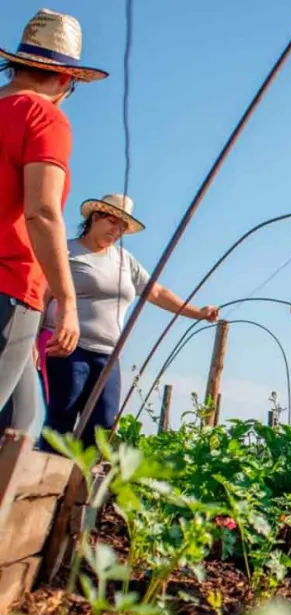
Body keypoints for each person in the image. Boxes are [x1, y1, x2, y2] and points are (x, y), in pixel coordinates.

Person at [38, 194, 220, 449]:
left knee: (103, 425)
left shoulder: (125, 261)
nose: (117, 231)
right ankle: (45, 484)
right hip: (66, 347)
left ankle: (82, 486)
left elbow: (156, 292)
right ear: (95, 217)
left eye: (123, 227)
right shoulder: (66, 251)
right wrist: (32, 343)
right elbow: (42, 294)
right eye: (113, 222)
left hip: (108, 355)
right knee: (61, 420)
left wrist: (197, 313)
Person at [0, 9, 108, 433]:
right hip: (9, 286)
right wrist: (65, 301)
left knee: (22, 423)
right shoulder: (44, 116)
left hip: (17, 300)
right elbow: (43, 213)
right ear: (66, 79)